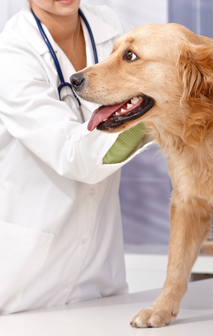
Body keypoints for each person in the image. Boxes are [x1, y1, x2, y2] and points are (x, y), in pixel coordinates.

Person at [0, 0, 151, 314]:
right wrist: (155, 118)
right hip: (27, 280)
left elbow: (146, 81)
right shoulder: (13, 52)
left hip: (100, 270)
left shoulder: (108, 24)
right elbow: (74, 155)